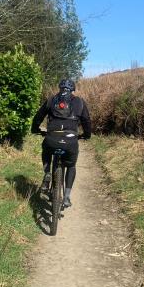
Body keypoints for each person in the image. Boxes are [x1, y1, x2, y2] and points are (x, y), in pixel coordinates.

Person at [30, 78, 91, 208]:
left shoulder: (51, 100)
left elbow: (38, 116)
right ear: (72, 89)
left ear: (60, 88)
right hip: (70, 141)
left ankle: (47, 173)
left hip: (52, 138)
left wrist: (35, 129)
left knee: (46, 149)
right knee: (71, 165)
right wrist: (86, 135)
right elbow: (86, 121)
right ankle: (67, 197)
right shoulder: (79, 102)